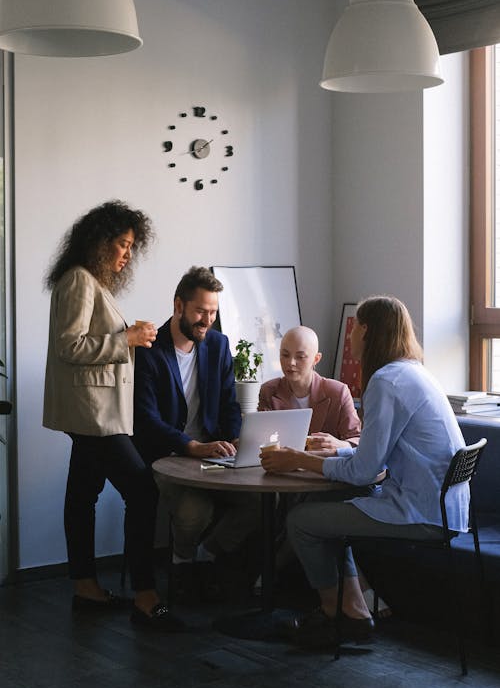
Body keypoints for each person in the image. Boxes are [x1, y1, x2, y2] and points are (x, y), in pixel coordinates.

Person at [260, 296, 466, 648]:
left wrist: (298, 459)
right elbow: (369, 466)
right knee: (337, 503)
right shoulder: (414, 371)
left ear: (366, 330)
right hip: (448, 506)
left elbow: (364, 469)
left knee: (301, 521)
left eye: (356, 327)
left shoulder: (386, 382)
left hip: (422, 511)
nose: (352, 335)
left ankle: (333, 612)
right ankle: (355, 607)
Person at [43, 199, 184, 632]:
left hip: (93, 413)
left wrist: (130, 339)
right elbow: (71, 347)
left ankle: (86, 588)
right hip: (93, 414)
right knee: (143, 492)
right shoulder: (80, 281)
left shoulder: (87, 281)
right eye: (122, 245)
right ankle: (145, 595)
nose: (126, 254)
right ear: (100, 242)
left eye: (130, 247)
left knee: (82, 495)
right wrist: (128, 338)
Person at [133, 266, 261, 603]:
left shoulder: (218, 345)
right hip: (167, 456)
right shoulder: (149, 349)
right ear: (179, 306)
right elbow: (146, 420)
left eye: (214, 312)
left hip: (212, 454)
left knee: (257, 502)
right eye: (200, 311)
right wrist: (191, 446)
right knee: (195, 511)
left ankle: (204, 555)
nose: (208, 320)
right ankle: (182, 567)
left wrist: (234, 439)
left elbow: (229, 405)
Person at [258, 325, 361, 451]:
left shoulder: (337, 392)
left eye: (300, 357)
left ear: (316, 359)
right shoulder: (269, 391)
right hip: (281, 467)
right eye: (285, 355)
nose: (291, 362)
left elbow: (357, 439)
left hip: (322, 468)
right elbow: (260, 439)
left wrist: (340, 445)